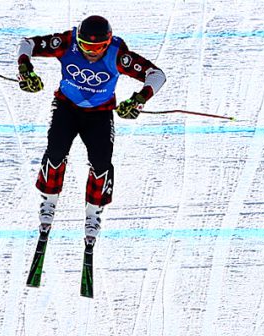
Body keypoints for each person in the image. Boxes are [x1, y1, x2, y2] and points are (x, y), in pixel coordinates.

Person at [16, 15, 166, 248]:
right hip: (66, 107)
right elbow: (27, 44)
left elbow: (156, 75)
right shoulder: (67, 43)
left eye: (97, 48)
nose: (91, 53)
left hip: (100, 114)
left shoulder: (117, 54)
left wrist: (139, 99)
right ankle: (48, 201)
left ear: (107, 44)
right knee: (55, 151)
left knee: (101, 162)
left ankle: (93, 213)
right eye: (85, 46)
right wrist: (25, 69)